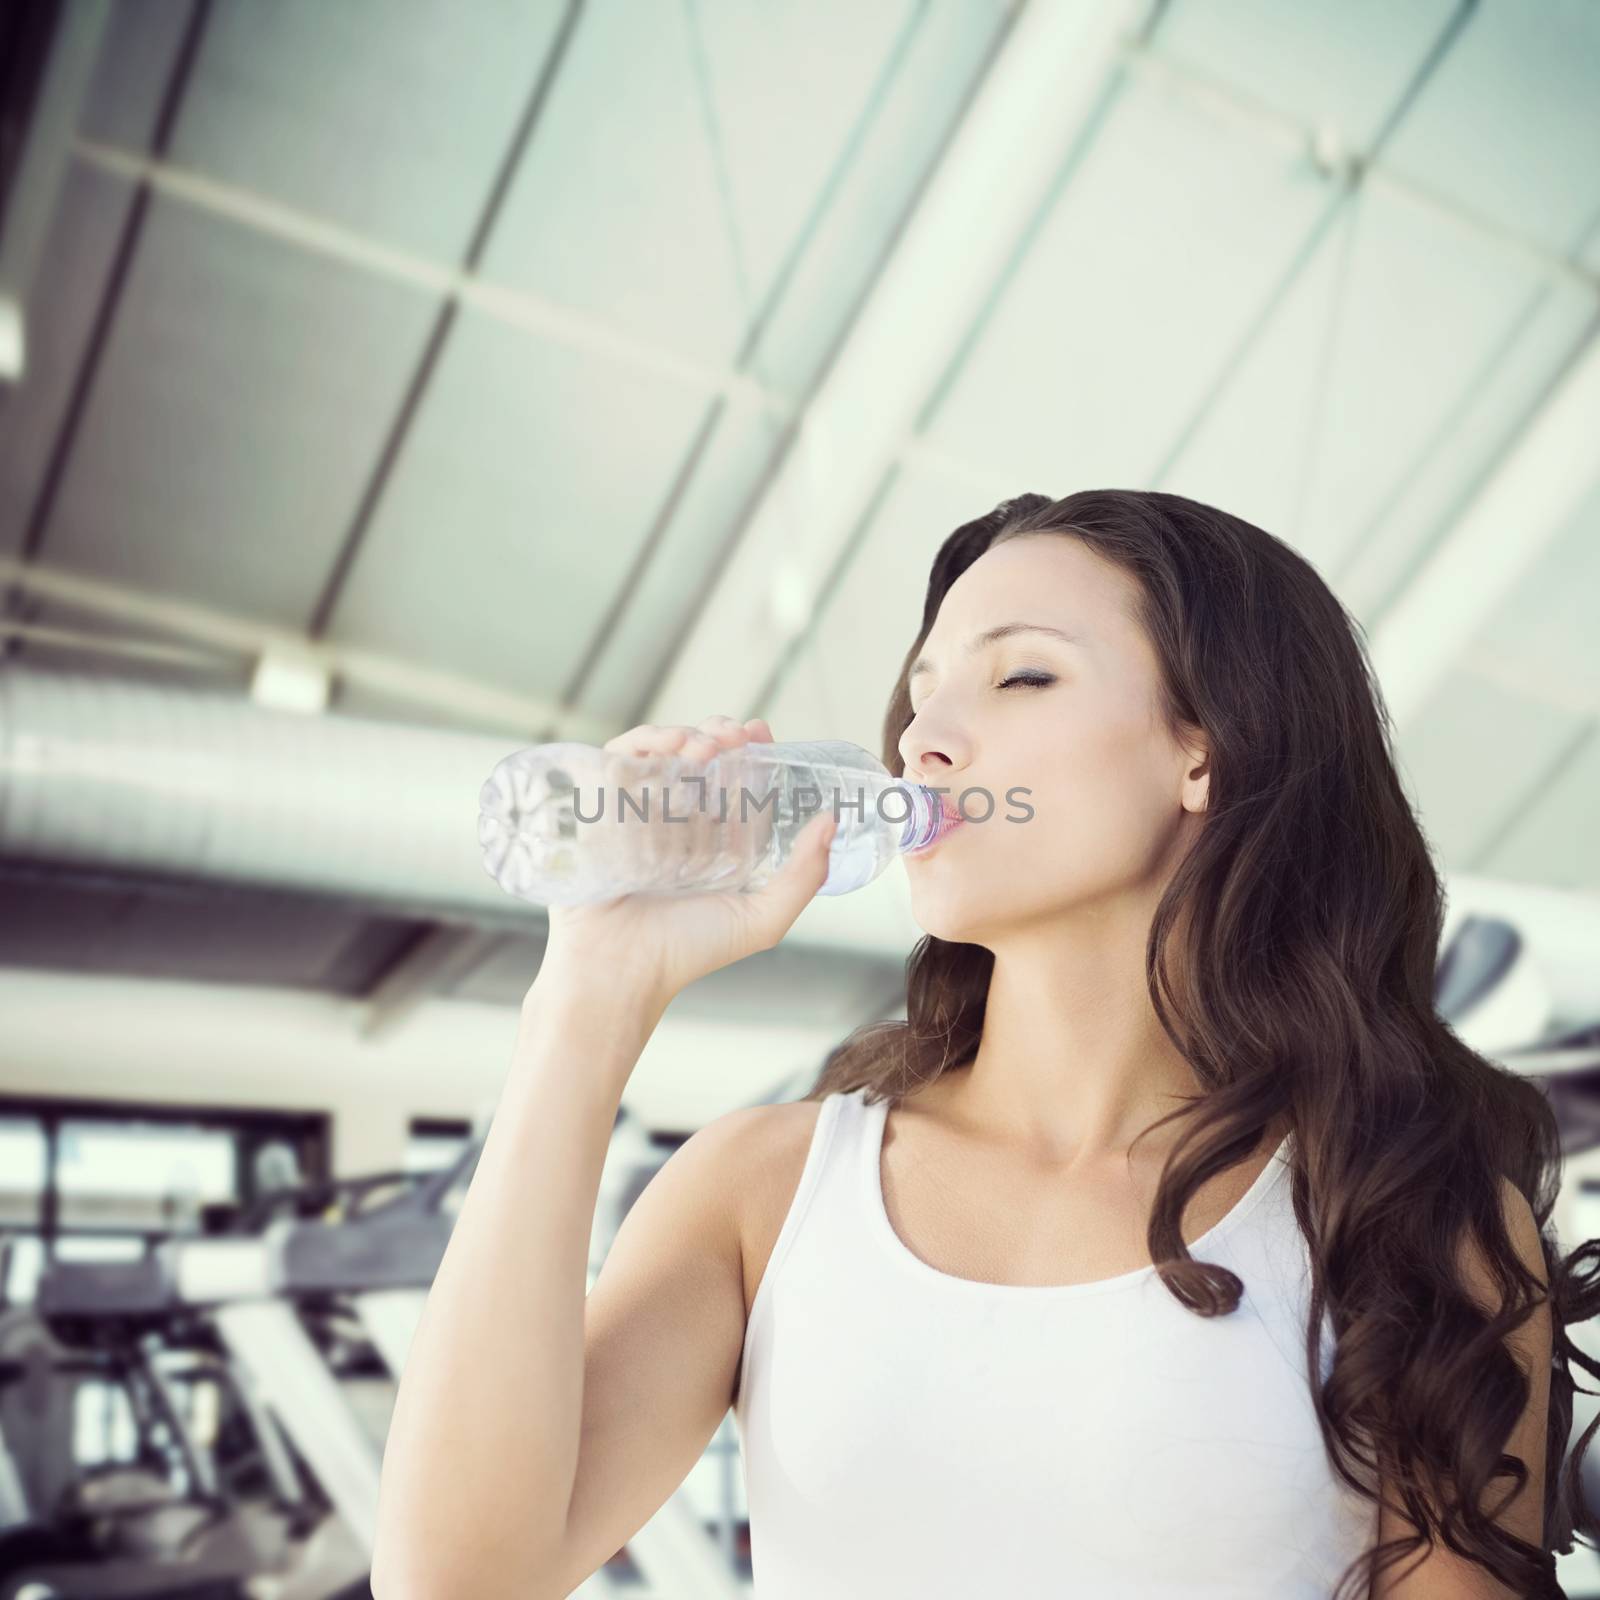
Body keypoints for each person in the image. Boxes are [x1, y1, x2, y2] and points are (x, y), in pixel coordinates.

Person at [371, 489, 1598, 1600]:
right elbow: (451, 1581)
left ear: (1202, 751)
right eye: (922, 686)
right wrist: (588, 998)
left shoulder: (1407, 1220)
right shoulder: (760, 1190)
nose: (921, 736)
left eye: (1020, 679)